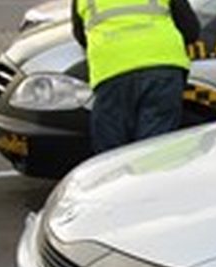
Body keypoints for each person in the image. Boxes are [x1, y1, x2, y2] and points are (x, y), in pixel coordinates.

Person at [72, 0, 200, 154]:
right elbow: (190, 30)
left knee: (112, 153)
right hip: (162, 66)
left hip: (112, 71)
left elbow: (80, 35)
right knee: (155, 146)